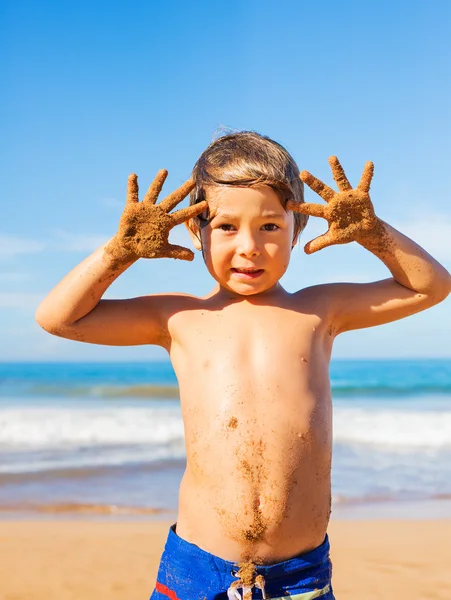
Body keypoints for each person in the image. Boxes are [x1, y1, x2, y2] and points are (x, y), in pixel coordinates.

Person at [35, 131, 451, 600]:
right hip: (196, 568)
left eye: (271, 227)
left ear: (299, 230)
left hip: (300, 576)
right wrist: (120, 250)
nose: (250, 246)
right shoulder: (177, 317)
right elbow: (58, 318)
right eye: (227, 227)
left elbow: (430, 287)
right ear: (196, 229)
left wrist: (374, 233)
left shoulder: (322, 309)